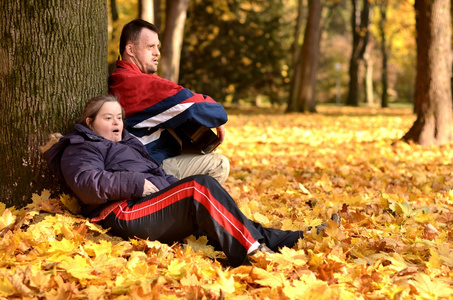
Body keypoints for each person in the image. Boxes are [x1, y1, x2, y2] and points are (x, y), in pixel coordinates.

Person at [44, 95, 340, 267]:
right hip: (121, 211)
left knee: (224, 218)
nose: (117, 123)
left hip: (149, 202)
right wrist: (135, 183)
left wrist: (166, 185)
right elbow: (87, 183)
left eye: (119, 118)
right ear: (90, 123)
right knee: (200, 186)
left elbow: (159, 176)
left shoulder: (129, 144)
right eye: (108, 118)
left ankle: (301, 238)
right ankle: (254, 255)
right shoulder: (81, 145)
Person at [108, 19, 230, 185]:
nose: (157, 52)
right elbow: (194, 106)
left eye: (157, 46)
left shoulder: (122, 78)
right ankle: (178, 207)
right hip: (148, 168)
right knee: (219, 165)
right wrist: (218, 116)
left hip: (145, 158)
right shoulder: (134, 83)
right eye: (150, 47)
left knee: (197, 145)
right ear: (130, 49)